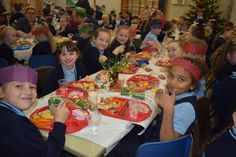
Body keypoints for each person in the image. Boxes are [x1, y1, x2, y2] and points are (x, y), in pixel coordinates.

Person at [108, 57, 205, 157]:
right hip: (152, 137)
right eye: (171, 76)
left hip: (154, 150)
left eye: (181, 79)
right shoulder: (179, 95)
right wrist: (161, 106)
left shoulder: (186, 108)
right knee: (126, 130)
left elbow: (168, 143)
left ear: (192, 85)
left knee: (113, 145)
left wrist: (168, 109)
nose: (173, 82)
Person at [0, 65, 75, 157]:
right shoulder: (17, 126)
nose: (28, 92)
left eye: (32, 87)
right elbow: (49, 153)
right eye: (19, 86)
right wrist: (59, 122)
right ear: (1, 92)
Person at [211, 38, 236, 132]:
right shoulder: (227, 73)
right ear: (229, 56)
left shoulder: (227, 68)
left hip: (224, 114)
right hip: (226, 120)